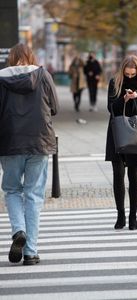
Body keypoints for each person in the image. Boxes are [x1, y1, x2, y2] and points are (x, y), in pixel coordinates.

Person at [0, 43, 59, 265]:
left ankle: (18, 231)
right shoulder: (43, 75)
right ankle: (31, 252)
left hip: (10, 142)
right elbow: (54, 107)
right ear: (30, 57)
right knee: (34, 195)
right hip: (39, 141)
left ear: (11, 59)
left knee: (12, 190)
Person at [105, 55, 137, 230]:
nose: (130, 77)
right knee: (118, 174)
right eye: (127, 74)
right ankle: (120, 214)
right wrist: (123, 99)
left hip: (135, 133)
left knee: (134, 176)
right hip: (117, 131)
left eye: (132, 74)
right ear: (123, 71)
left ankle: (133, 217)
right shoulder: (114, 83)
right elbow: (110, 108)